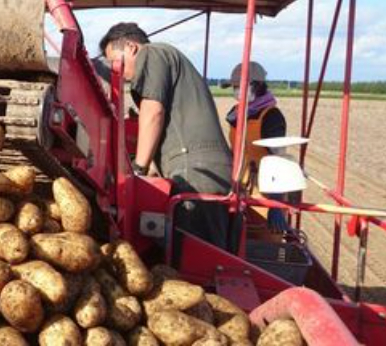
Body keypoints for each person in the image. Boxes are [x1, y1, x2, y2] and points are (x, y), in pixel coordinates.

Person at [99, 22, 233, 250]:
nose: (116, 70)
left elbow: (153, 113)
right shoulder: (166, 62)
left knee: (197, 258)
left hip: (196, 170)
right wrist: (151, 166)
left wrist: (138, 169)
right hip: (199, 168)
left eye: (115, 60)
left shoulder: (152, 53)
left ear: (131, 47)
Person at [223, 62, 289, 232]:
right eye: (234, 87)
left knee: (263, 242)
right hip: (238, 190)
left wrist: (275, 203)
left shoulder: (271, 116)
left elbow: (279, 159)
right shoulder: (237, 113)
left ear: (257, 86)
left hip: (264, 195)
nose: (235, 91)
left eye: (239, 86)